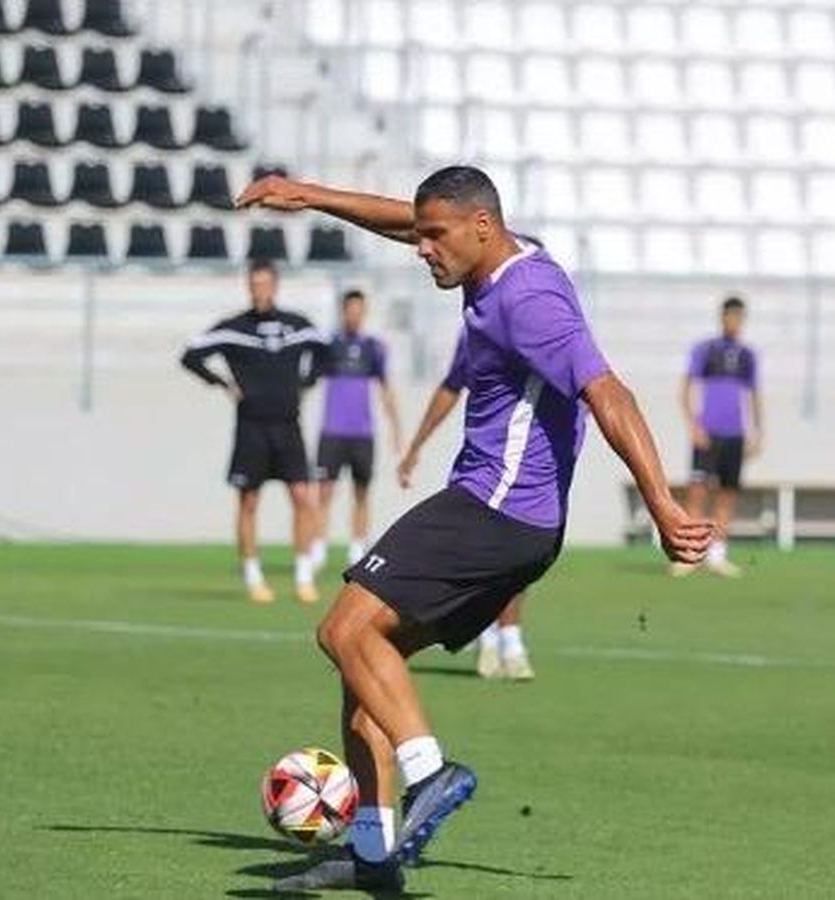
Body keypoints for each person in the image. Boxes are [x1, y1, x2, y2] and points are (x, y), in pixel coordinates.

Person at [237, 165, 715, 892]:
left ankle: (433, 770)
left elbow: (607, 390)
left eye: (435, 237)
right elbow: (407, 217)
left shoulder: (530, 299)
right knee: (367, 667)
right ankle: (373, 856)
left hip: (496, 508)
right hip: (509, 517)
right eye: (422, 234)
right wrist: (312, 196)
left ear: (481, 228)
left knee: (342, 631)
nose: (421, 247)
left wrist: (661, 503)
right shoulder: (485, 254)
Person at [180, 259, 325, 605]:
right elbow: (190, 355)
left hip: (289, 425)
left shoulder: (297, 325)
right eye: (254, 285)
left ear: (275, 286)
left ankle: (304, 575)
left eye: (265, 284)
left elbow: (326, 351)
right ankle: (252, 575)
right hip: (251, 427)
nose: (259, 290)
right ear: (249, 288)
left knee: (303, 497)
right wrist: (221, 383)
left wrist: (306, 381)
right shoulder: (234, 328)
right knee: (248, 501)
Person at [398, 332, 535, 681]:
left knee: (517, 562)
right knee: (478, 561)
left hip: (525, 471)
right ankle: (489, 638)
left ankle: (510, 640)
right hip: (479, 473)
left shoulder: (545, 329)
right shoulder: (478, 330)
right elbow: (451, 386)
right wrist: (416, 445)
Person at [312, 289, 402, 572]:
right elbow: (308, 380)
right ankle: (317, 546)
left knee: (361, 492)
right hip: (333, 430)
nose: (353, 315)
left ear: (364, 312)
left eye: (358, 310)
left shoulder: (373, 348)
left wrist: (396, 428)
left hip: (362, 432)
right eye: (349, 310)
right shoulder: (329, 346)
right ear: (342, 312)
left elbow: (385, 388)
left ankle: (357, 547)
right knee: (324, 491)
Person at [673, 295, 762, 579]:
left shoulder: (748, 356)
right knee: (697, 493)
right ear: (722, 318)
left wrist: (756, 431)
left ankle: (717, 555)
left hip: (734, 435)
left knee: (727, 495)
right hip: (707, 434)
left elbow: (755, 395)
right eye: (730, 317)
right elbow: (686, 389)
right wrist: (694, 426)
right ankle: (689, 555)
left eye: (739, 318)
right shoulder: (705, 350)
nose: (734, 323)